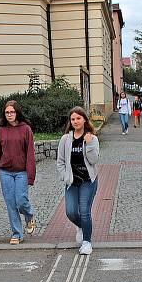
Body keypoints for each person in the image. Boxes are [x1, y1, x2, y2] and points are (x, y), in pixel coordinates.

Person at [0, 100, 37, 245]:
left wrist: (30, 175)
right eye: (7, 112)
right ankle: (17, 233)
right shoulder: (1, 131)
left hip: (21, 171)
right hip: (5, 172)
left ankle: (29, 216)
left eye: (12, 112)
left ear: (17, 113)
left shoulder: (26, 129)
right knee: (10, 203)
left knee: (21, 200)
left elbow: (30, 154)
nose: (9, 115)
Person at [57, 106, 100, 255]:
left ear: (84, 120)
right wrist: (64, 176)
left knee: (84, 211)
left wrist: (88, 144)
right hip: (72, 182)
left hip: (88, 181)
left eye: (78, 118)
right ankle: (81, 227)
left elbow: (94, 160)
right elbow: (60, 161)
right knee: (70, 212)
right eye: (73, 119)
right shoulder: (66, 139)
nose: (75, 121)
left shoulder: (92, 138)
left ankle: (87, 242)